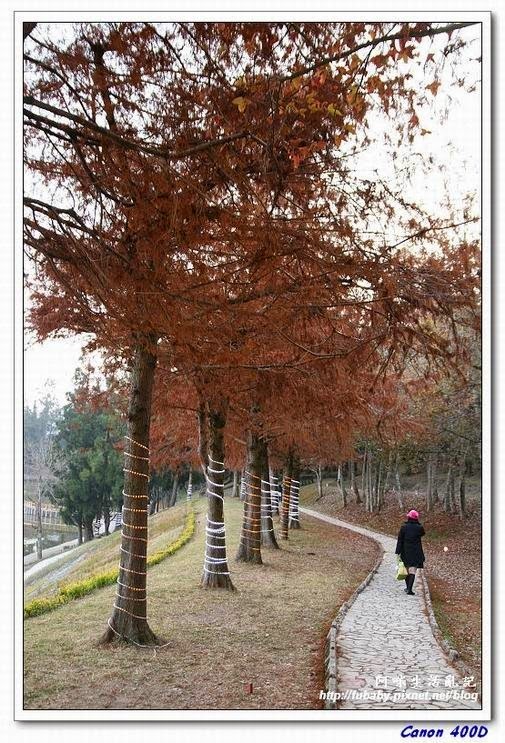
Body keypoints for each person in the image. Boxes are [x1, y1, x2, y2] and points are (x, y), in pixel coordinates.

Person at [395, 509, 425, 595]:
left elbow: (400, 540)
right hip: (416, 551)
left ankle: (408, 587)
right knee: (413, 570)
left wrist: (398, 551)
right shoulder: (419, 528)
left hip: (405, 551)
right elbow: (422, 533)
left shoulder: (404, 527)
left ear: (409, 517)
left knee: (406, 569)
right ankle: (409, 589)